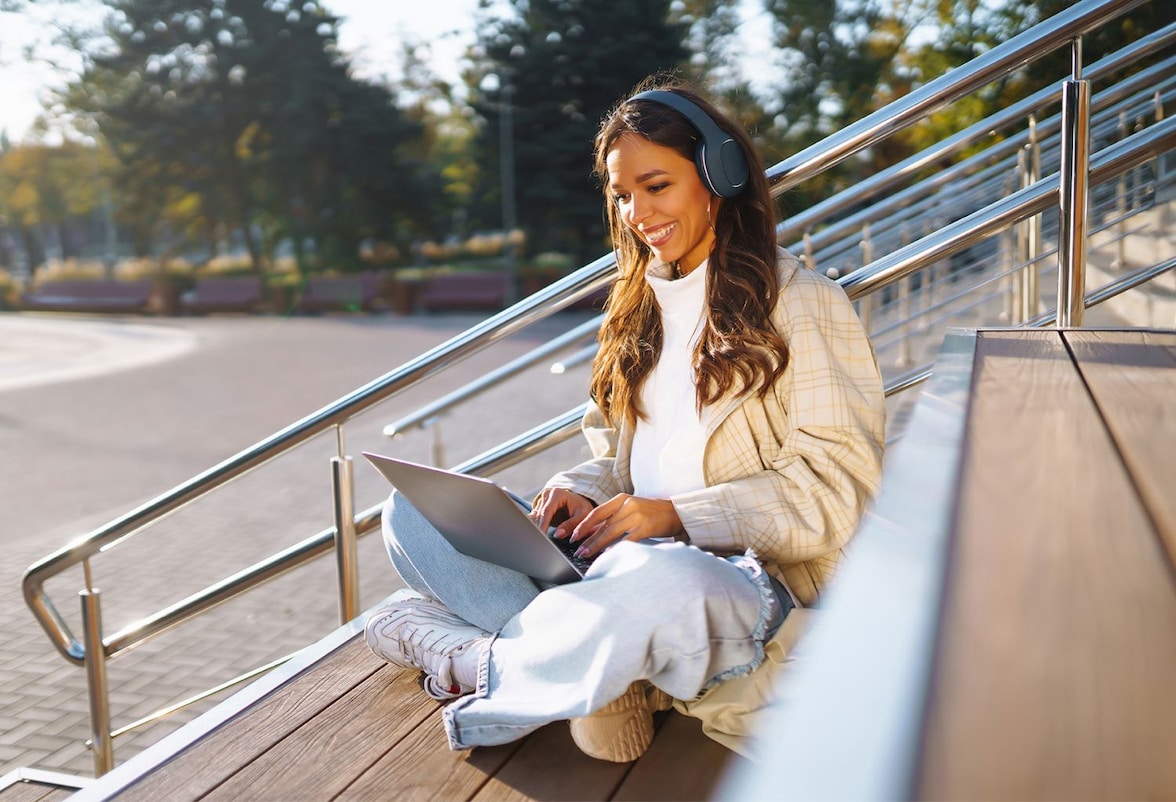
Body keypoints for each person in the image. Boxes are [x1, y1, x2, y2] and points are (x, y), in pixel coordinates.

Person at [364, 77, 886, 762]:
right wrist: (579, 490)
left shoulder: (802, 304)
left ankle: (485, 662)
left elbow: (837, 491)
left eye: (656, 185)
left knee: (652, 577)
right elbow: (618, 461)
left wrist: (675, 517)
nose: (638, 213)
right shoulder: (635, 309)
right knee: (411, 514)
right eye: (621, 195)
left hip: (729, 584)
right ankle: (608, 664)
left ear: (719, 176)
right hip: (617, 570)